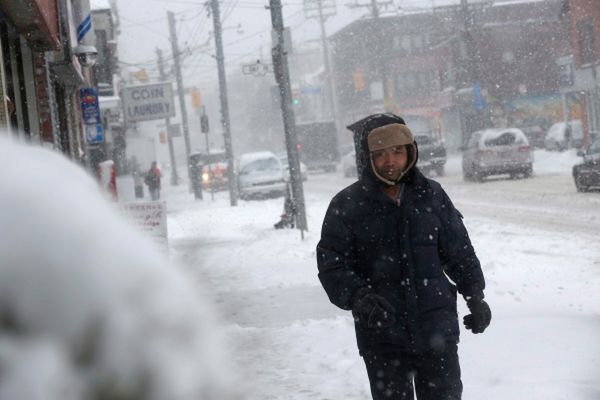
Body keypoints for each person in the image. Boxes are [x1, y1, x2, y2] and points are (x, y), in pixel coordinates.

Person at [316, 114, 491, 400]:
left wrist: (476, 297)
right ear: (368, 158)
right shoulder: (347, 205)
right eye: (381, 154)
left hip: (437, 330)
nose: (390, 161)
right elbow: (332, 264)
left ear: (410, 151)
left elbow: (459, 252)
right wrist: (359, 298)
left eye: (397, 151)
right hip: (382, 336)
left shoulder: (432, 195)